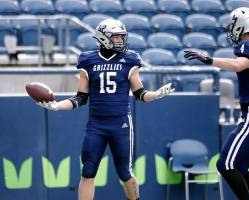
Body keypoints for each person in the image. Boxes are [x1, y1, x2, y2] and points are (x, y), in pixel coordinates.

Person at [37, 19, 174, 200]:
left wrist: (155, 95)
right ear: (103, 37)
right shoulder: (88, 60)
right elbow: (81, 97)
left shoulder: (130, 59)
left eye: (121, 37)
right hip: (96, 125)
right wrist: (57, 106)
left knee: (125, 172)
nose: (120, 40)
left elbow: (140, 93)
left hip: (121, 124)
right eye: (116, 37)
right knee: (88, 170)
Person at [184, 7, 249, 200]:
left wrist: (208, 59)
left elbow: (239, 65)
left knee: (225, 165)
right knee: (240, 168)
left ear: (241, 26)